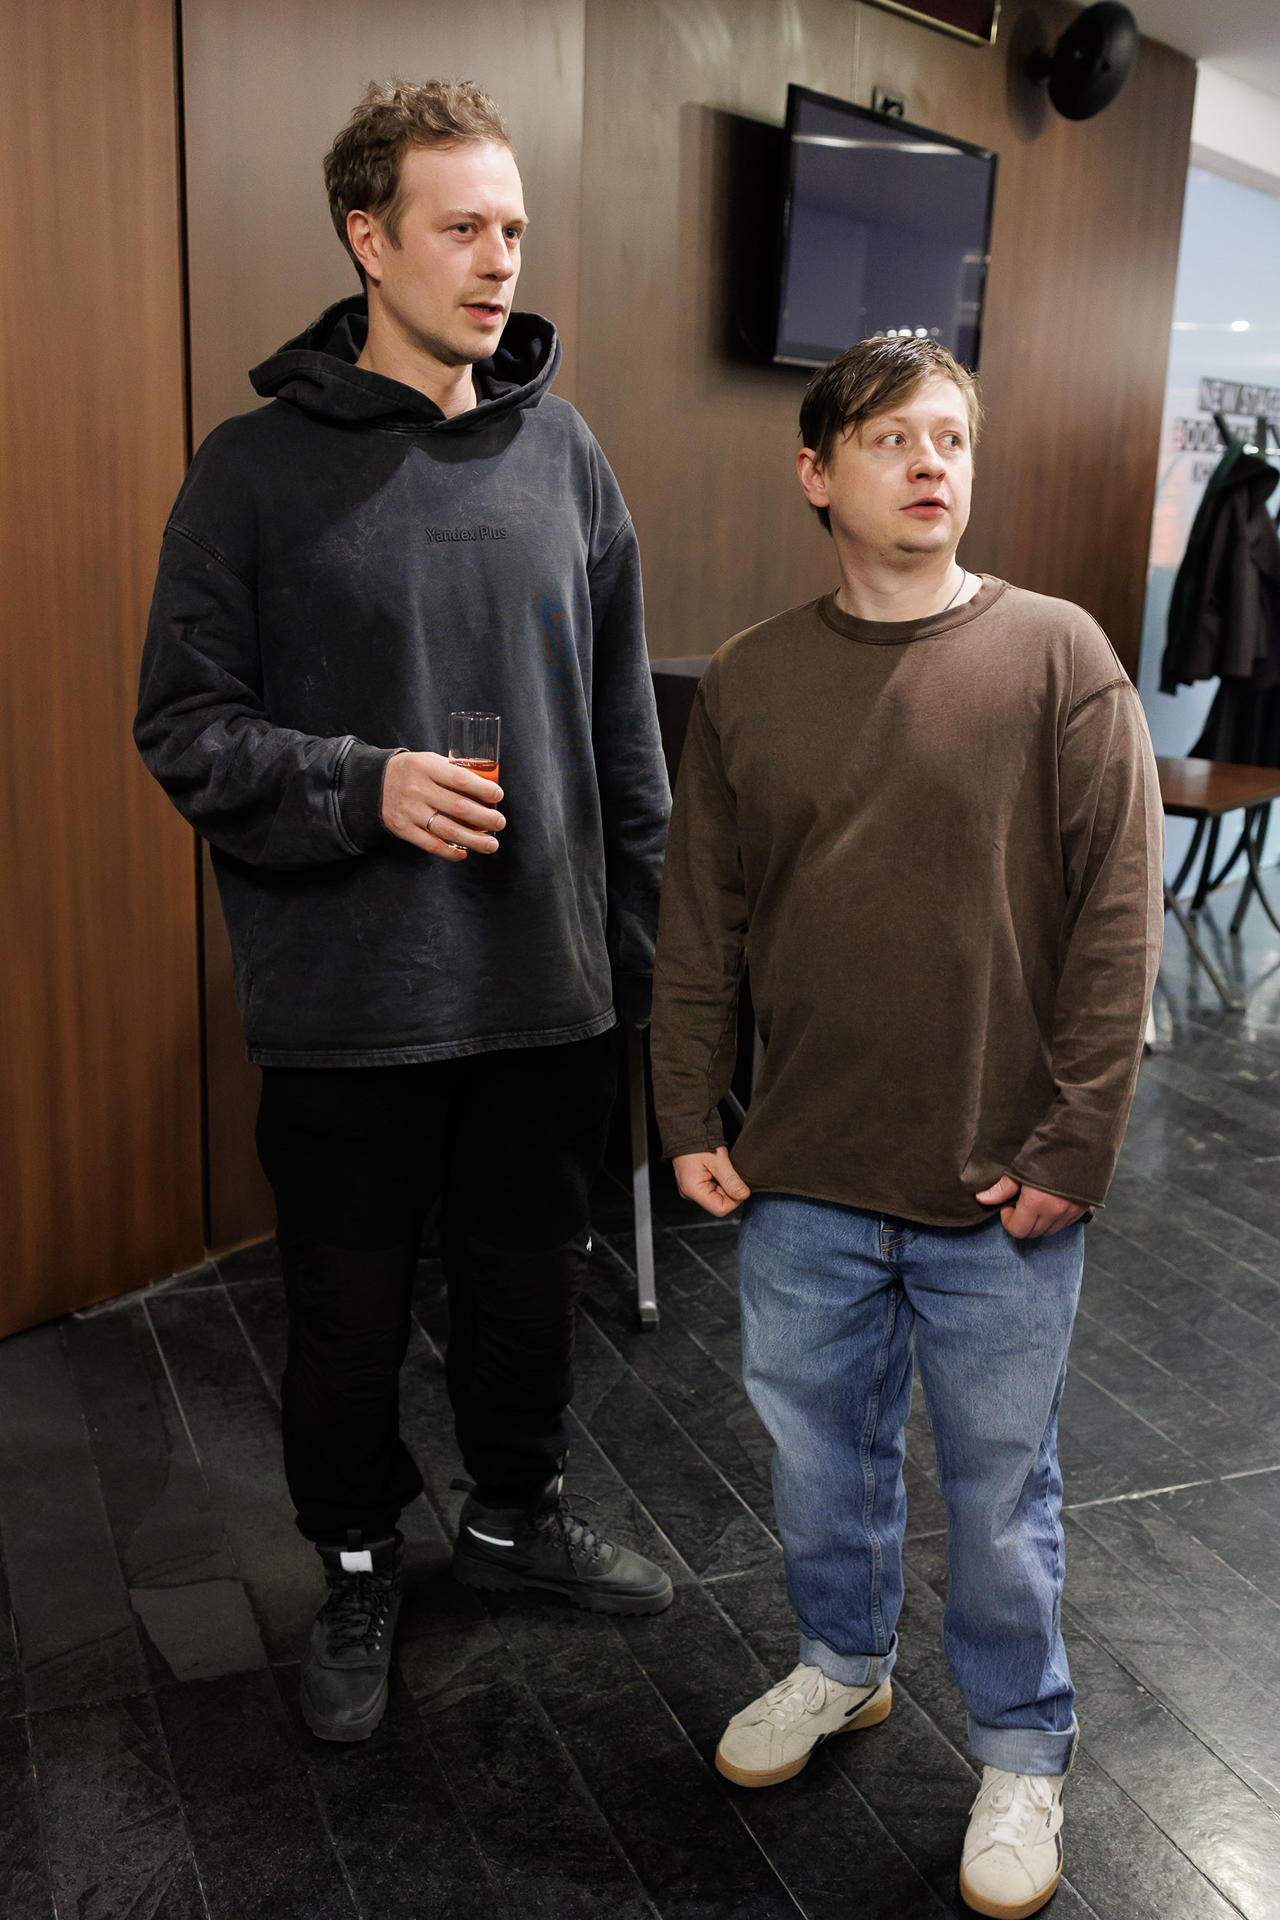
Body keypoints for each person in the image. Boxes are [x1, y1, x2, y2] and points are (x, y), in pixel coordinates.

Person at [135, 78, 674, 1745]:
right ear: (367, 238)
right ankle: (360, 1562)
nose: (500, 259)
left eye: (514, 228)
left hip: (545, 990)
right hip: (351, 1002)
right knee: (348, 1321)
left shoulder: (566, 456)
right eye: (462, 228)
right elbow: (185, 727)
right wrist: (362, 784)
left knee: (530, 1291)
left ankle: (514, 1517)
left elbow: (626, 742)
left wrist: (636, 963)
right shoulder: (250, 473)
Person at [649, 335, 1162, 1918]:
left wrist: (1073, 1147)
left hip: (999, 1185)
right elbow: (702, 916)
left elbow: (1119, 922)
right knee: (819, 1464)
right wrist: (686, 1105)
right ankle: (842, 1663)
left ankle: (1019, 1746)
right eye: (889, 439)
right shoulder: (752, 677)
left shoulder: (1060, 655)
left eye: (950, 437)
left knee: (1001, 1494)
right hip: (803, 1169)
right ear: (818, 474)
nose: (930, 462)